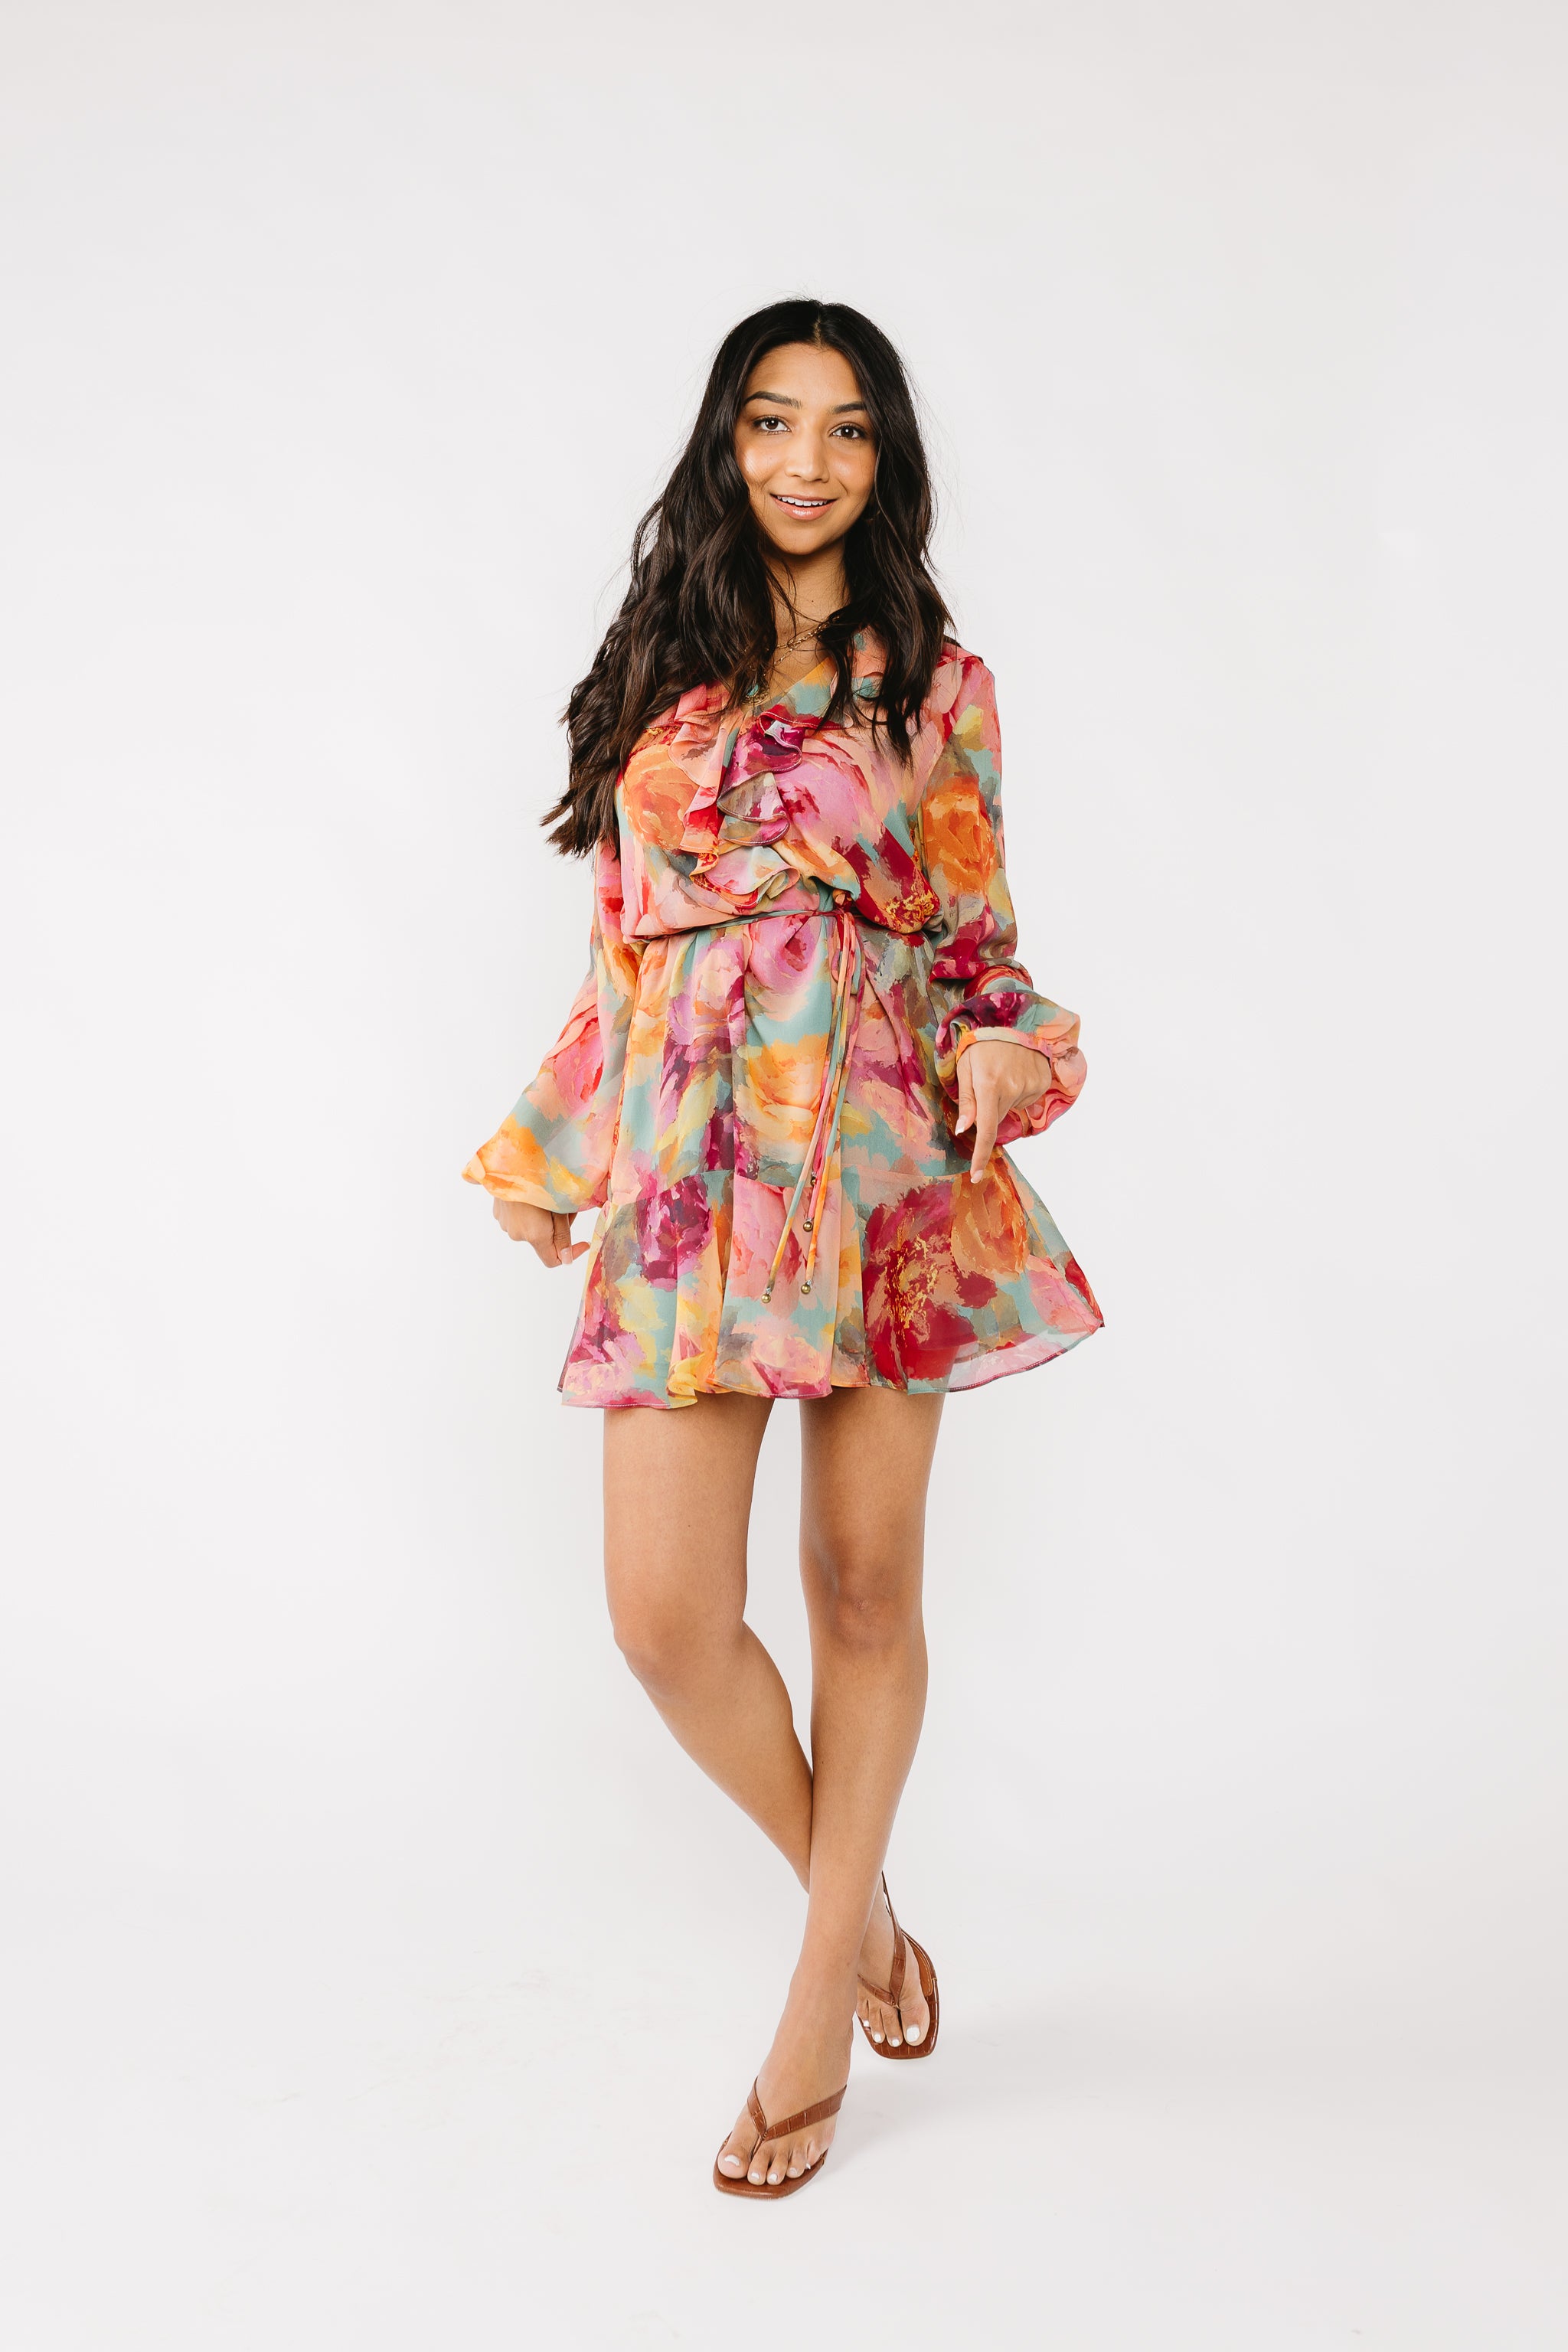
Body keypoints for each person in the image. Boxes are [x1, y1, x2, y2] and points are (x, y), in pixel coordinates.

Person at [464, 299, 1102, 2198]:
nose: (804, 460)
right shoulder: (654, 682)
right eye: (768, 422)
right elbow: (621, 956)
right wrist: (554, 1145)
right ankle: (869, 1908)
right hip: (688, 1184)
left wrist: (1007, 1047)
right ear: (725, 446)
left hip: (884, 1167)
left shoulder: (938, 688)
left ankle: (818, 2000)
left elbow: (978, 945)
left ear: (883, 458)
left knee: (860, 1591)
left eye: (843, 427)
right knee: (663, 1619)